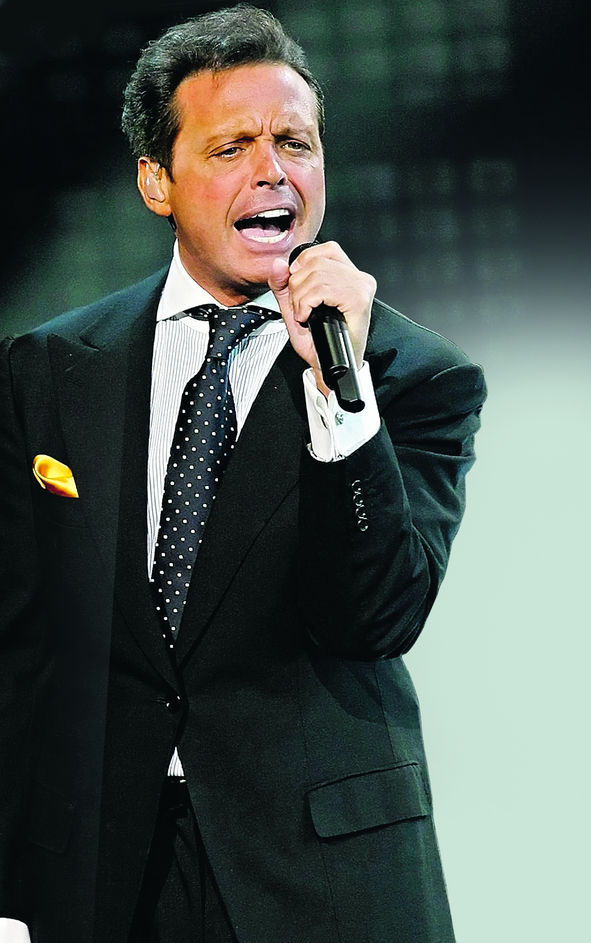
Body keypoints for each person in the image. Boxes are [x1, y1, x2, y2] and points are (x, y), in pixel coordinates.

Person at [0, 5, 486, 942]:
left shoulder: (409, 375)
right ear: (156, 180)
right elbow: (23, 646)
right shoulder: (47, 368)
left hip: (318, 880)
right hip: (104, 873)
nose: (272, 170)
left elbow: (377, 616)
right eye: (231, 148)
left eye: (294, 143)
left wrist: (339, 394)